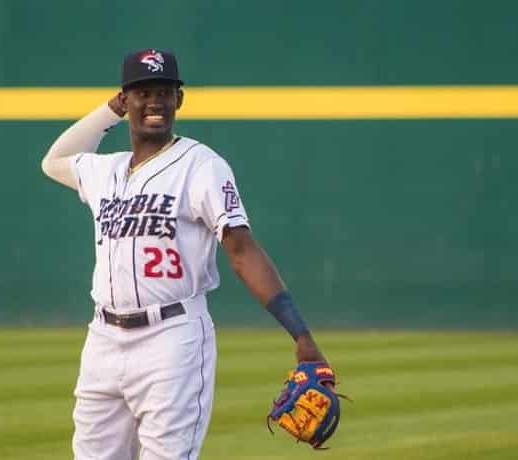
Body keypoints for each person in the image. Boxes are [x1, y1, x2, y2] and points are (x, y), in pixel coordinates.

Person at [41, 48, 334, 460]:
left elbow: (241, 249)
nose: (155, 102)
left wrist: (301, 335)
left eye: (164, 91)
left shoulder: (202, 166)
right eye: (142, 93)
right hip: (103, 340)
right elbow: (53, 162)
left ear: (179, 99)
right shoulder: (104, 171)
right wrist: (110, 108)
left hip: (172, 340)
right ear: (127, 100)